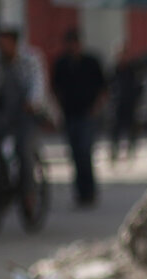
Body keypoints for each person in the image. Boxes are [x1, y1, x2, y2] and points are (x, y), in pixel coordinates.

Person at [0, 27, 54, 215]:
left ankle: (29, 194)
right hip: (3, 112)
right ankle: (1, 182)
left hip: (26, 114)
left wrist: (34, 102)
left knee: (24, 150)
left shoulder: (31, 59)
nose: (2, 47)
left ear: (15, 43)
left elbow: (39, 83)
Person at [52, 29, 107, 208]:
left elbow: (103, 87)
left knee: (85, 152)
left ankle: (89, 191)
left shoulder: (91, 62)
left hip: (87, 114)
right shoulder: (61, 64)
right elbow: (55, 89)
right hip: (70, 115)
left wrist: (96, 108)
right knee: (75, 154)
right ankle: (80, 192)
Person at [108, 50, 144, 164]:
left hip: (130, 105)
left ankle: (131, 152)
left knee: (131, 130)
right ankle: (114, 153)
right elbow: (108, 87)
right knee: (115, 131)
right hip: (117, 106)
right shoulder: (114, 71)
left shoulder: (132, 70)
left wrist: (136, 98)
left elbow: (139, 86)